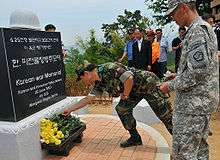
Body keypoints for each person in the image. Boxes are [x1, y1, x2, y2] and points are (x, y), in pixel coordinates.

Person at [160, 0, 219, 159]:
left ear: (184, 8)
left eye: (174, 13)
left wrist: (170, 85)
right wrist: (178, 75)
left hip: (193, 106)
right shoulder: (201, 28)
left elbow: (197, 73)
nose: (173, 18)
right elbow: (200, 68)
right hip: (199, 103)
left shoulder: (197, 31)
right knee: (199, 151)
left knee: (183, 154)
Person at [63, 62, 173, 148]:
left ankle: (183, 144)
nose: (83, 81)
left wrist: (125, 95)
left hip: (149, 85)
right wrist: (70, 109)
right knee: (122, 109)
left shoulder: (109, 68)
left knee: (166, 116)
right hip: (133, 91)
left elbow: (129, 78)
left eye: (81, 78)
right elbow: (88, 99)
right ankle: (135, 138)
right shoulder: (98, 84)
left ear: (86, 74)